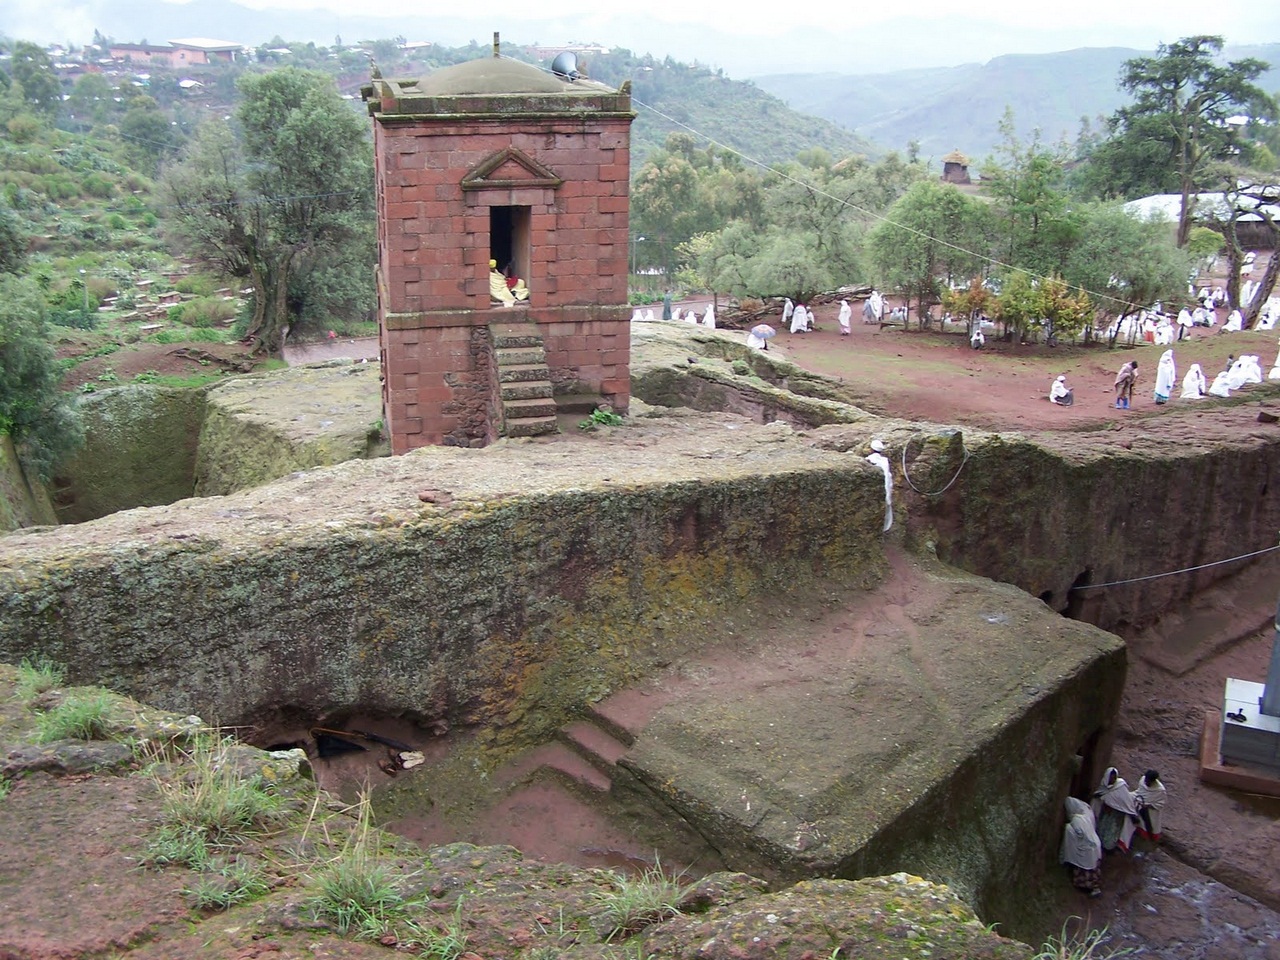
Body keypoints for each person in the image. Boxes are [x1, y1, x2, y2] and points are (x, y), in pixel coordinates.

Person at [1060, 797, 1103, 897]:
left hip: (1087, 848)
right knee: (1094, 869)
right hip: (1095, 845)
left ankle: (1089, 888)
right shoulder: (1084, 817)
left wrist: (1068, 829)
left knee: (1085, 869)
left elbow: (1080, 834)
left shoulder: (1076, 820)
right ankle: (1095, 887)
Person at [1091, 767, 1139, 853]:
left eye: (1114, 777)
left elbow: (1126, 802)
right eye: (1111, 777)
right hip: (1105, 814)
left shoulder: (1120, 786)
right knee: (1102, 829)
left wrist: (1132, 815)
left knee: (1111, 833)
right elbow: (1099, 796)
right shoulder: (1104, 786)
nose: (1112, 779)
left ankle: (1108, 848)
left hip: (1115, 817)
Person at [1134, 770, 1166, 842]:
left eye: (1148, 782)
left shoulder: (1160, 790)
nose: (1146, 783)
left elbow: (1161, 804)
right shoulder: (1142, 780)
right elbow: (1139, 792)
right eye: (1146, 780)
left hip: (1150, 812)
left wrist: (1149, 806)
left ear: (1153, 781)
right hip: (1139, 805)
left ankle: (1148, 841)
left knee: (1148, 827)